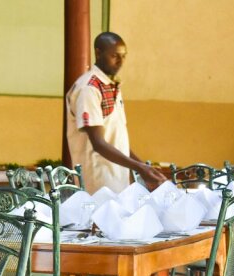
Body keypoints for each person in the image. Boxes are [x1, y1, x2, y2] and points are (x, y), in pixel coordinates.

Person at [66, 31, 166, 193]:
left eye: (123, 56)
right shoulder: (89, 88)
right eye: (114, 55)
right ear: (98, 53)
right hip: (97, 178)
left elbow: (118, 140)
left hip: (118, 177)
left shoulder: (111, 86)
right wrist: (140, 168)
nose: (120, 61)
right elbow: (98, 143)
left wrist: (144, 167)